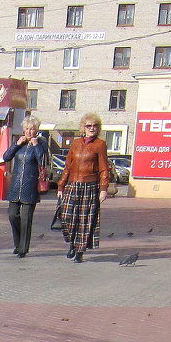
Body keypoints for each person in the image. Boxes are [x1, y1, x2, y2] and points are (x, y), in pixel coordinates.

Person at [56, 112, 111, 263]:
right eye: (89, 126)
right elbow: (67, 166)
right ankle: (72, 243)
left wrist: (103, 188)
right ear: (83, 127)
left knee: (84, 220)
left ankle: (79, 250)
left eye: (95, 126)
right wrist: (61, 186)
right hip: (73, 184)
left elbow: (104, 168)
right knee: (66, 216)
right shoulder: (75, 143)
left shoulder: (100, 144)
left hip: (90, 185)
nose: (92, 128)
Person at [2, 116, 48, 259]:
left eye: (32, 128)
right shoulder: (19, 143)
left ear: (37, 130)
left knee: (26, 218)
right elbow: (6, 157)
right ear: (23, 130)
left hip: (30, 186)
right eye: (27, 129)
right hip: (16, 186)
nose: (29, 131)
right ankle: (17, 243)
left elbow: (43, 161)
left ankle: (23, 248)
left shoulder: (41, 143)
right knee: (12, 215)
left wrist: (35, 146)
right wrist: (16, 144)